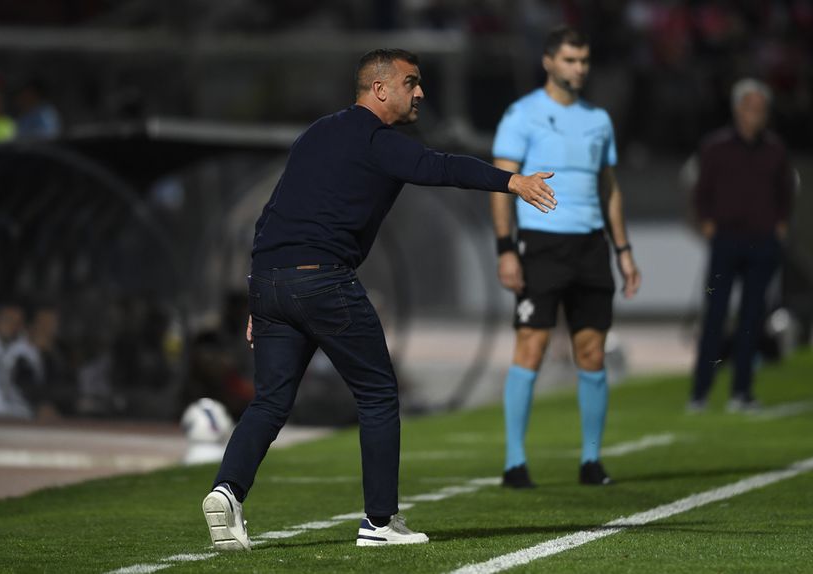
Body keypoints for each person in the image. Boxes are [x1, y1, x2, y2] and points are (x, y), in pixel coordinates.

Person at [202, 48, 557, 550]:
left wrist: (259, 296)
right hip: (323, 281)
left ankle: (227, 490)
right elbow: (441, 167)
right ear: (380, 89)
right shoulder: (378, 140)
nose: (421, 93)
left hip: (270, 282)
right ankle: (379, 522)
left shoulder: (316, 133)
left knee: (271, 401)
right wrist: (512, 181)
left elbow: (270, 214)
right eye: (412, 82)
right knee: (377, 394)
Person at [490, 26, 641, 489]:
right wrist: (506, 249)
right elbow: (501, 186)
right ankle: (514, 462)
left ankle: (591, 460)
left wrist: (623, 250)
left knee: (592, 353)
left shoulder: (598, 120)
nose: (579, 68)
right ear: (549, 62)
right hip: (541, 245)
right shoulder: (521, 115)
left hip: (591, 246)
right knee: (531, 347)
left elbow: (608, 188)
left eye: (584, 60)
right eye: (571, 60)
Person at [689, 78, 794, 413]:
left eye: (760, 108)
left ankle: (742, 392)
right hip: (726, 241)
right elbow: (701, 190)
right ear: (737, 110)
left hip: (762, 244)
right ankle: (700, 393)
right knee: (715, 316)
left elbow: (786, 192)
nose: (755, 114)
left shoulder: (775, 149)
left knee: (752, 320)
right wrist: (707, 222)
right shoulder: (715, 147)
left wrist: (780, 225)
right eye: (749, 107)